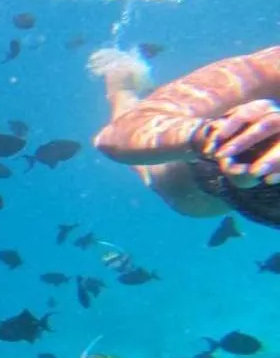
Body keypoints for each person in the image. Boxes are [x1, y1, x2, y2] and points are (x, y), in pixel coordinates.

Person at [91, 44, 280, 224]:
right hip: (203, 190)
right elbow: (114, 136)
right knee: (159, 172)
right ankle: (122, 88)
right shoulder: (270, 66)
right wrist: (219, 135)